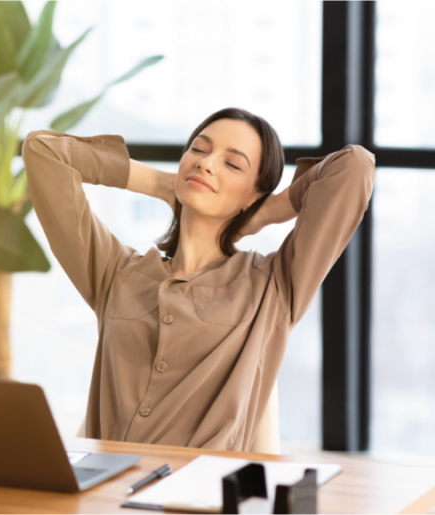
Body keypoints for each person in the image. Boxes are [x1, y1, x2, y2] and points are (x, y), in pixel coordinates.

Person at [21, 107, 375, 452]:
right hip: (103, 496)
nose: (205, 163)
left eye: (233, 164)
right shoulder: (116, 273)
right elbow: (42, 151)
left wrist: (269, 210)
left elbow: (355, 166)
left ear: (253, 193)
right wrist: (162, 185)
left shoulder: (275, 286)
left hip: (199, 500)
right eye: (199, 149)